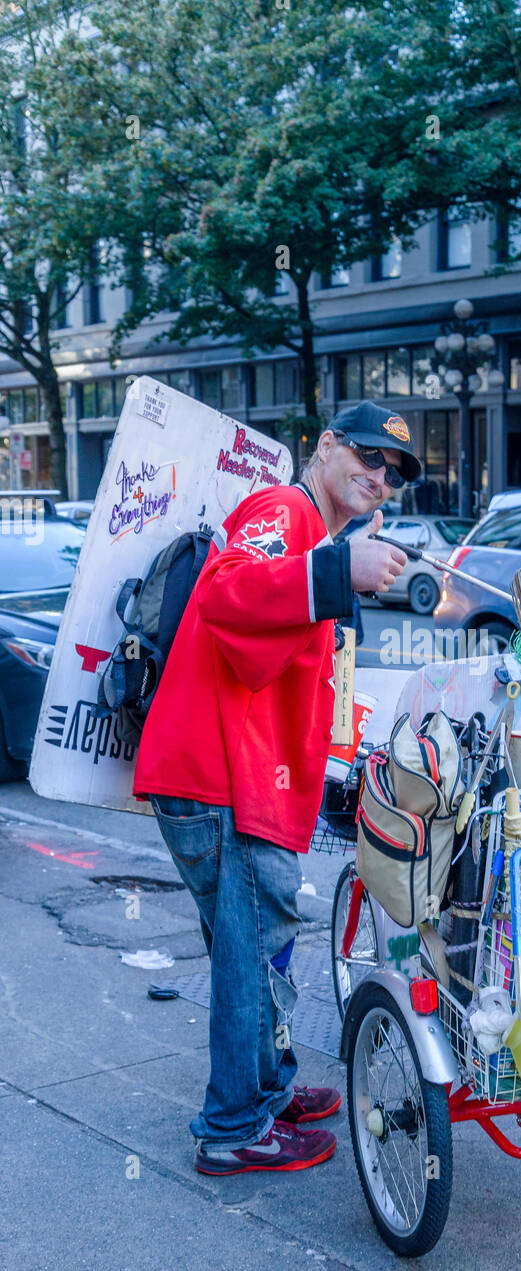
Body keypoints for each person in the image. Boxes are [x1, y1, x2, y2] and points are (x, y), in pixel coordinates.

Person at [132, 402, 419, 1175]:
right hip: (226, 775)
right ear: (324, 447)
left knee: (250, 951)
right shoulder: (285, 508)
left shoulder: (307, 527)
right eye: (367, 457)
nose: (380, 477)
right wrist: (337, 571)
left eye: (393, 473)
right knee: (254, 953)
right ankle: (235, 1129)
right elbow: (226, 596)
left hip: (234, 773)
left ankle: (264, 1088)